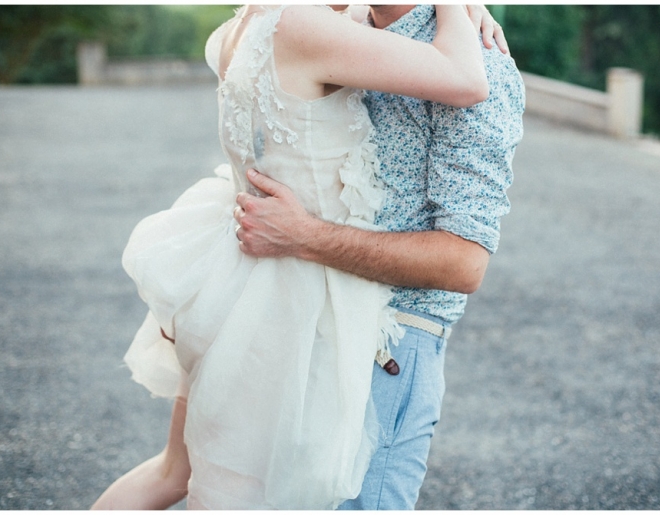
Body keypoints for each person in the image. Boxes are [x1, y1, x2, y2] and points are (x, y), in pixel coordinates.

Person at [91, 4, 504, 511]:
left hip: (235, 288)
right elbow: (465, 79)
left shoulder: (246, 25)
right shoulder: (310, 27)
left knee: (180, 476)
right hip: (315, 308)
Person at [233, 4, 525, 510]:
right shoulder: (342, 32)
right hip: (301, 324)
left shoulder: (481, 64)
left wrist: (304, 236)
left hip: (389, 343)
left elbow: (463, 262)